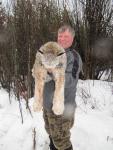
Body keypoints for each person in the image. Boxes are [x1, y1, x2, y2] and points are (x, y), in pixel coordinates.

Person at [43, 25, 83, 150]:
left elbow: (70, 82)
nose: (62, 39)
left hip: (62, 108)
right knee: (51, 134)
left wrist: (52, 71)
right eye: (60, 36)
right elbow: (41, 75)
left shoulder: (73, 57)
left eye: (66, 36)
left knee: (61, 142)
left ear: (72, 38)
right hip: (48, 105)